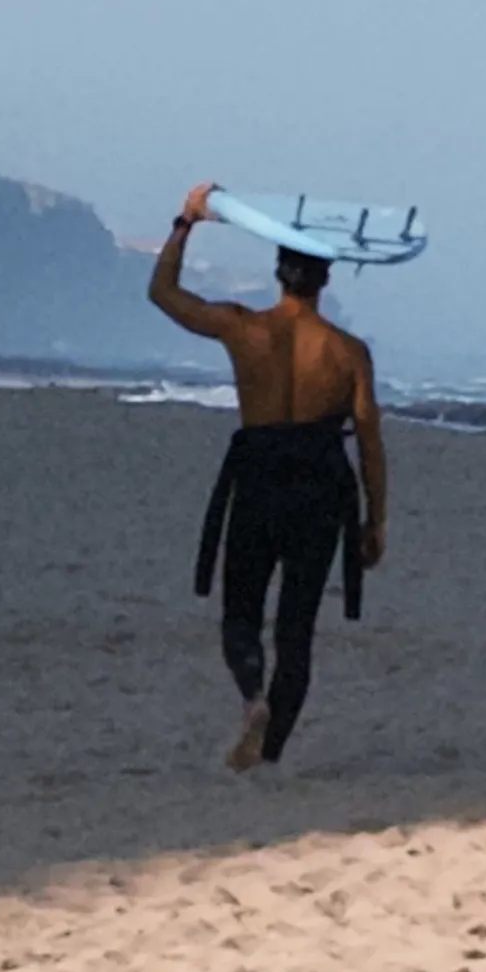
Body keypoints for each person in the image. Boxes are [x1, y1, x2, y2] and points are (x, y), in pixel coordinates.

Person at [148, 188, 388, 770]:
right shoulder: (348, 351)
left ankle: (253, 698)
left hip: (257, 475)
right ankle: (270, 754)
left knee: (241, 614)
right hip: (320, 484)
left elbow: (163, 294)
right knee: (296, 628)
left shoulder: (241, 327)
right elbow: (370, 439)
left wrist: (186, 223)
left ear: (279, 276)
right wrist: (374, 518)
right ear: (323, 281)